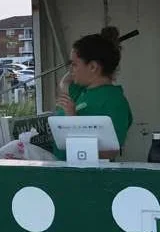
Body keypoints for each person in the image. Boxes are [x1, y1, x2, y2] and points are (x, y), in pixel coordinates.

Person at [54, 27, 133, 160]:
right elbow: (64, 83)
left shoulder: (114, 102)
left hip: (85, 175)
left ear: (93, 67)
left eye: (74, 64)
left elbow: (108, 152)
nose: (71, 69)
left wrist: (73, 121)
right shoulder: (81, 90)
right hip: (60, 167)